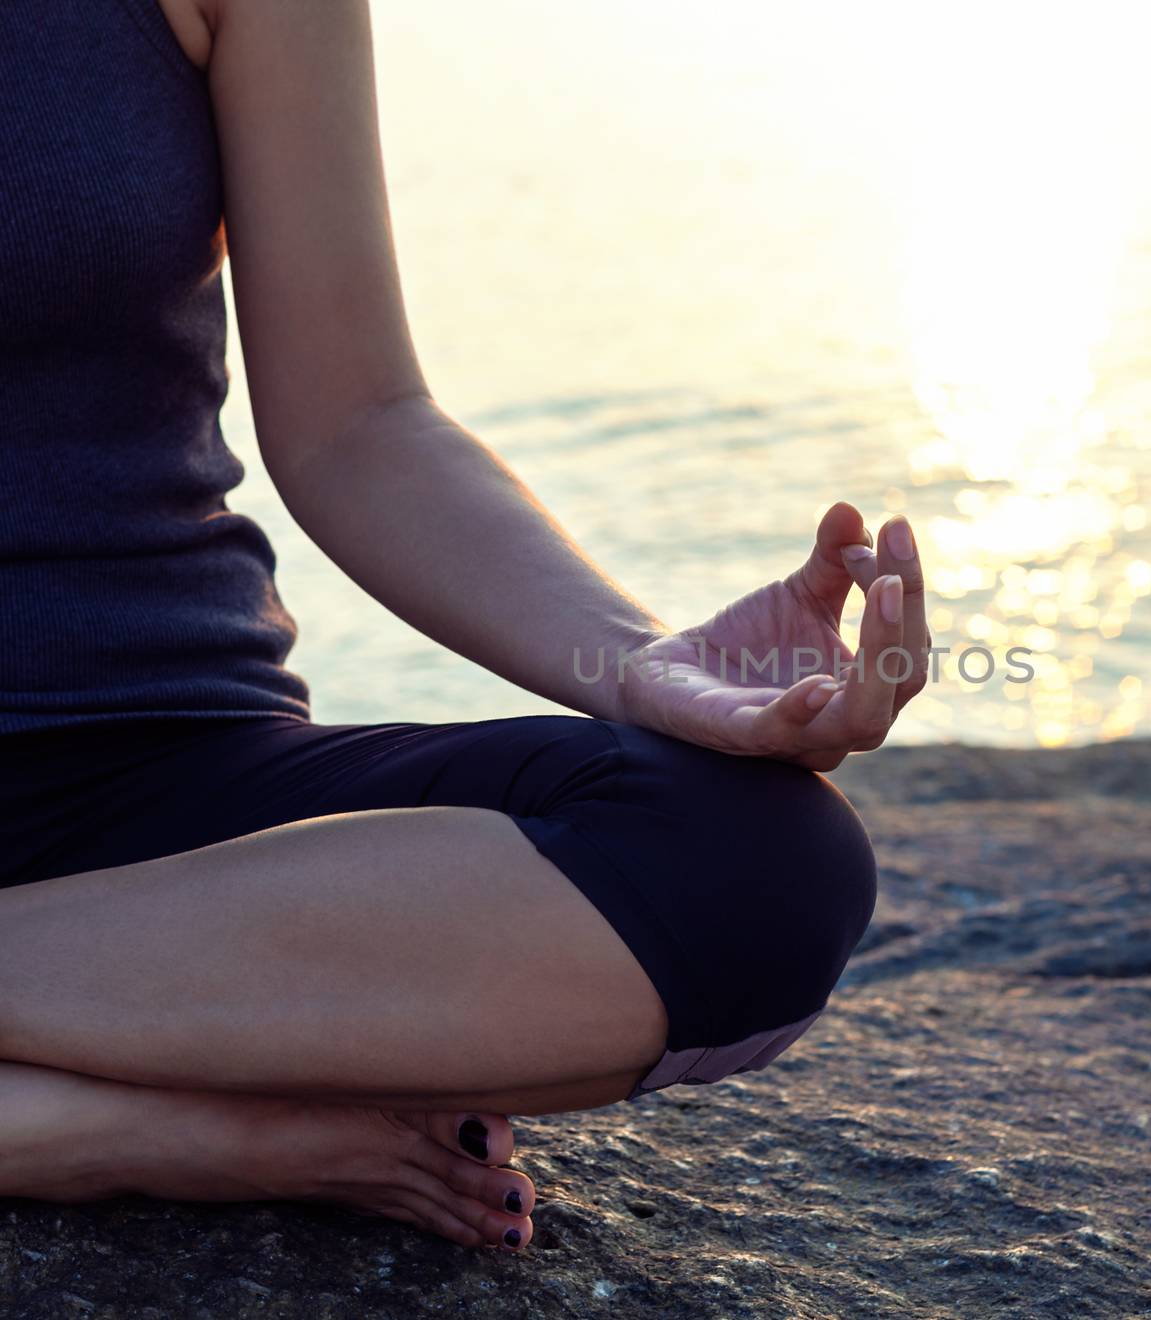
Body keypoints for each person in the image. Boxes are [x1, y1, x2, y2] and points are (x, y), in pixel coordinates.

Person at [0, 0, 928, 1251]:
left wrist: (638, 665)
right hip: (108, 933)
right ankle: (134, 1122)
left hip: (159, 796)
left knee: (755, 864)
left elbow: (360, 421)